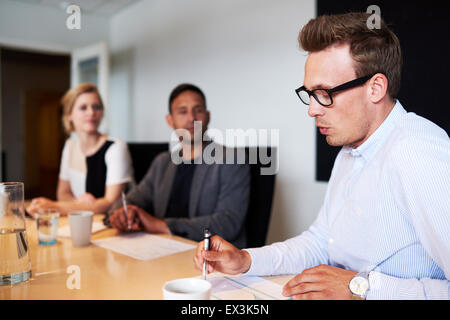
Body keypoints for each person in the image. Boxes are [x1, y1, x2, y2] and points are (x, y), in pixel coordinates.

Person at [194, 13, 450, 300]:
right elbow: (320, 243)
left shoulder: (419, 152)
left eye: (324, 93)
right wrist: (246, 260)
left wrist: (361, 288)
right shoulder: (349, 151)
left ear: (375, 88)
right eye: (309, 93)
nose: (312, 110)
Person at [107, 83, 250, 248]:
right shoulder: (162, 162)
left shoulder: (231, 159)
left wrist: (162, 225)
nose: (191, 118)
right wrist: (123, 214)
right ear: (170, 120)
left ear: (208, 116)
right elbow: (133, 199)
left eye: (198, 110)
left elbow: (228, 223)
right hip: (161, 249)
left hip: (209, 259)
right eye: (183, 112)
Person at [27, 83, 134, 216]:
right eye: (83, 108)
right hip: (83, 221)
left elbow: (109, 202)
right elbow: (63, 193)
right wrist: (79, 203)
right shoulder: (70, 146)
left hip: (112, 223)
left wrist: (55, 207)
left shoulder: (116, 147)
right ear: (69, 115)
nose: (91, 112)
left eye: (96, 107)